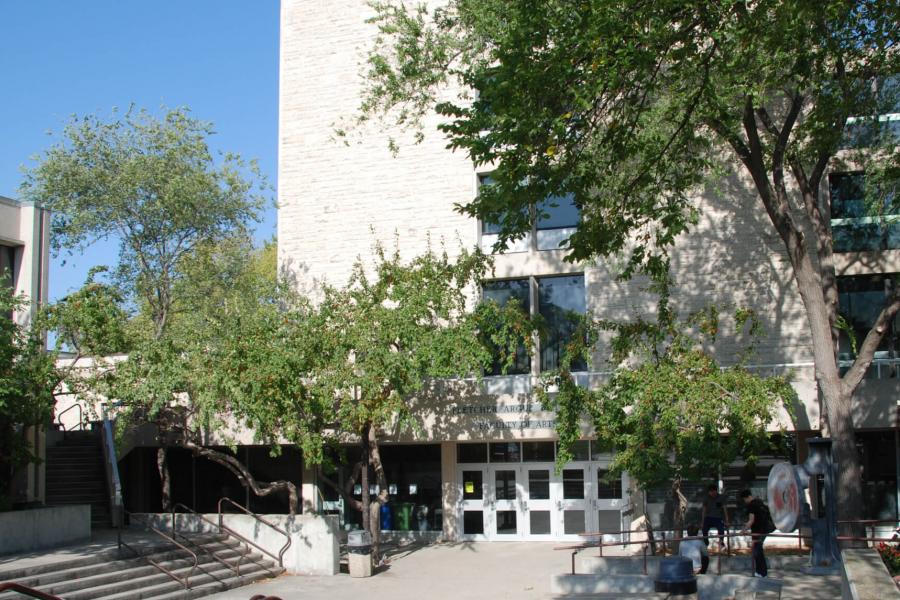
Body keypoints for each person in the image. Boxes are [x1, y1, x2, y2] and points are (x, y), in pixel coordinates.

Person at [739, 489, 775, 578]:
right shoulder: (760, 502)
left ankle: (761, 572)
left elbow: (751, 520)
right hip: (764, 529)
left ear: (747, 497)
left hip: (757, 531)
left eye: (744, 500)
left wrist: (743, 530)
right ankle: (761, 572)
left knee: (757, 551)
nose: (745, 502)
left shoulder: (751, 505)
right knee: (758, 550)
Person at [701, 484, 729, 549]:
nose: (713, 493)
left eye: (714, 492)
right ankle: (706, 541)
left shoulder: (721, 497)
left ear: (716, 491)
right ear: (709, 492)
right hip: (708, 517)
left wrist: (727, 520)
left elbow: (725, 509)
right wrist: (702, 522)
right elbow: (703, 510)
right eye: (711, 492)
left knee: (721, 529)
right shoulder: (706, 498)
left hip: (718, 518)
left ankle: (721, 542)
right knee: (704, 529)